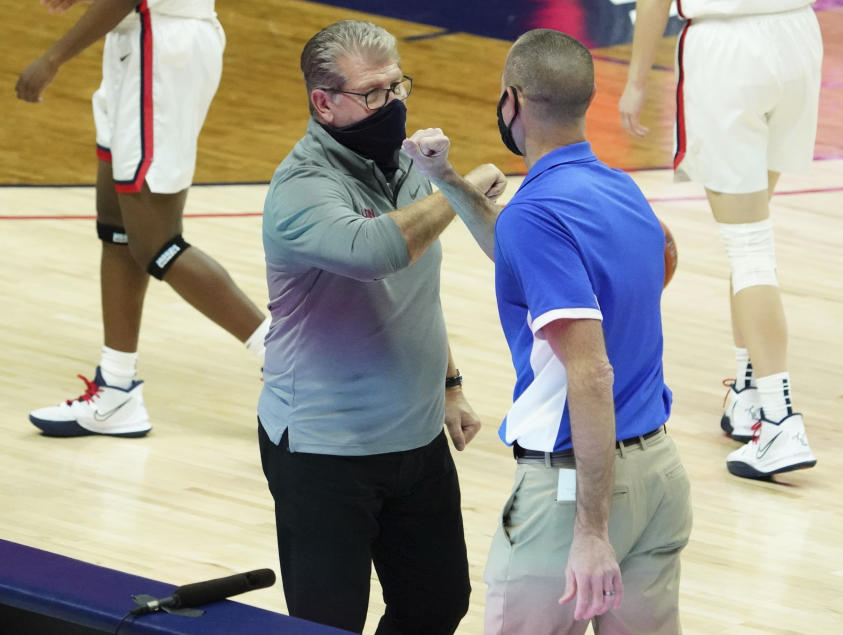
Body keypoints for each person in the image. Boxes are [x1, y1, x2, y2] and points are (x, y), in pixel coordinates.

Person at [404, 28, 693, 634]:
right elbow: (522, 251)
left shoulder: (537, 215)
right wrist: (447, 179)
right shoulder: (622, 191)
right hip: (657, 478)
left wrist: (590, 531)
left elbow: (590, 372)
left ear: (512, 100)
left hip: (573, 491)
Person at [257, 20, 505, 634]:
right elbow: (378, 254)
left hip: (417, 439)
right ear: (324, 102)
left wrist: (450, 385)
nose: (391, 104)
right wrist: (458, 183)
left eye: (398, 88)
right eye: (373, 94)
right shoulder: (302, 189)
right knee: (328, 625)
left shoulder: (403, 163)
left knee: (437, 604)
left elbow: (417, 288)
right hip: (325, 451)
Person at [17, 0, 269, 438]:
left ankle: (285, 355)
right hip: (140, 42)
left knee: (156, 241)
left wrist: (53, 57)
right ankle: (116, 388)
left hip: (161, 50)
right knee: (116, 226)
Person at [619, 0, 820, 479]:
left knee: (748, 246)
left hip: (730, 48)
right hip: (798, 35)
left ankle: (779, 420)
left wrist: (636, 81)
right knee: (751, 233)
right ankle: (747, 394)